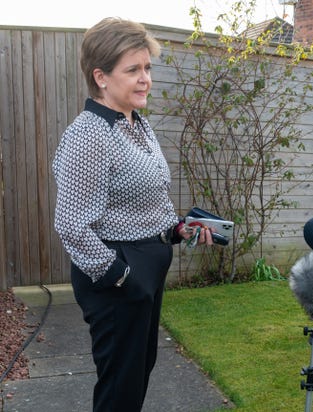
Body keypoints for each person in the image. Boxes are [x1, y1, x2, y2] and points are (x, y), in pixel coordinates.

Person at [52, 18, 216, 412]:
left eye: (147, 68)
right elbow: (71, 223)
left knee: (138, 373)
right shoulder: (89, 134)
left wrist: (177, 228)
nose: (145, 79)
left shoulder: (135, 123)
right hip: (116, 278)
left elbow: (144, 199)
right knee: (120, 389)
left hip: (146, 269)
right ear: (101, 77)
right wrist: (121, 276)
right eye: (133, 70)